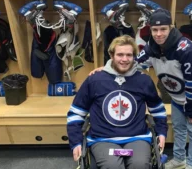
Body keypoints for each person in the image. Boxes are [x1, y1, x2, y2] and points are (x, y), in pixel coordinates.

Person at [90, 9, 192, 169]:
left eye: (163, 29)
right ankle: (179, 159)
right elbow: (133, 62)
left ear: (171, 28)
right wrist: (107, 68)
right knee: (178, 127)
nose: (158, 34)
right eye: (154, 30)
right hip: (179, 95)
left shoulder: (186, 49)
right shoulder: (152, 46)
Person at [67, 35, 168, 169]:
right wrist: (76, 142)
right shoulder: (95, 80)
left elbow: (158, 110)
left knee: (140, 165)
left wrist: (161, 132)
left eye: (129, 55)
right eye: (120, 55)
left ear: (134, 57)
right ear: (111, 55)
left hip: (137, 137)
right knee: (113, 166)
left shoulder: (144, 80)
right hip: (103, 139)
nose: (125, 59)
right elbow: (76, 114)